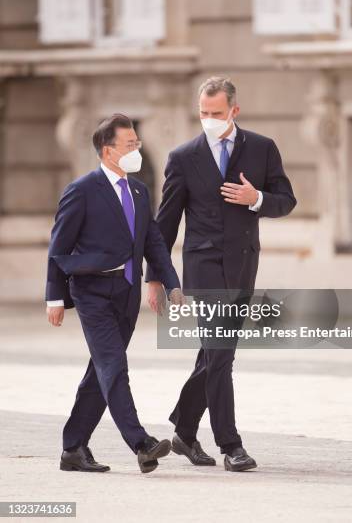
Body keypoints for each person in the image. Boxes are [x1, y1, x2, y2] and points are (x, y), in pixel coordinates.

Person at [146, 77, 297, 472]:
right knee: (222, 355)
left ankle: (184, 429)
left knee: (214, 353)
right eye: (203, 113)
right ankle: (231, 445)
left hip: (244, 263)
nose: (209, 119)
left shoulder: (262, 149)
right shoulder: (183, 157)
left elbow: (287, 200)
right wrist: (156, 276)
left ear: (234, 110)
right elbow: (166, 223)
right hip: (203, 265)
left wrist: (257, 199)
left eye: (216, 113)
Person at [45, 113, 183, 474]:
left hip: (126, 292)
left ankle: (73, 449)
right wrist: (54, 298)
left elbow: (152, 240)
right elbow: (58, 248)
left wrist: (171, 282)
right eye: (130, 145)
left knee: (101, 372)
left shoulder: (138, 190)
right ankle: (142, 444)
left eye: (137, 143)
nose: (137, 149)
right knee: (113, 365)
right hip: (91, 293)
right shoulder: (81, 190)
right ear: (108, 151)